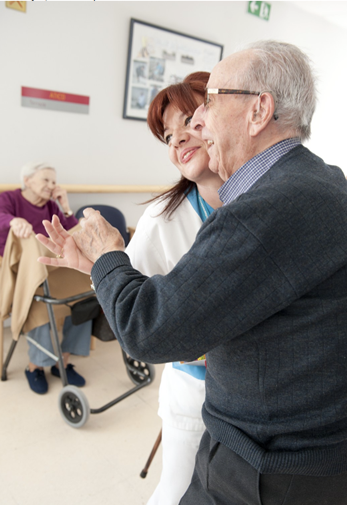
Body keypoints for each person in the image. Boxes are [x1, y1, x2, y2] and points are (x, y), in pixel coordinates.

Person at [37, 40, 347, 505]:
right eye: (171, 133)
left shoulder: (259, 211)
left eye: (208, 105)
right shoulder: (327, 182)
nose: (194, 127)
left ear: (259, 110)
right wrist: (98, 265)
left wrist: (106, 254)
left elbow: (149, 326)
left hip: (265, 466)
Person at [125, 72, 222, 504]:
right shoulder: (164, 217)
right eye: (167, 134)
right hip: (195, 391)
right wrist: (179, 342)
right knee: (179, 492)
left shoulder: (269, 199)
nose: (178, 139)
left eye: (189, 120)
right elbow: (127, 301)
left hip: (263, 396)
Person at [0, 162, 91, 394]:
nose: (51, 185)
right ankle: (35, 366)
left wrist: (66, 207)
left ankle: (63, 361)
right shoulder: (9, 198)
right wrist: (13, 221)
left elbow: (72, 236)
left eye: (54, 181)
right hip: (21, 269)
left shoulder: (52, 206)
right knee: (39, 301)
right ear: (27, 180)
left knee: (84, 295)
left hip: (51, 267)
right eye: (46, 180)